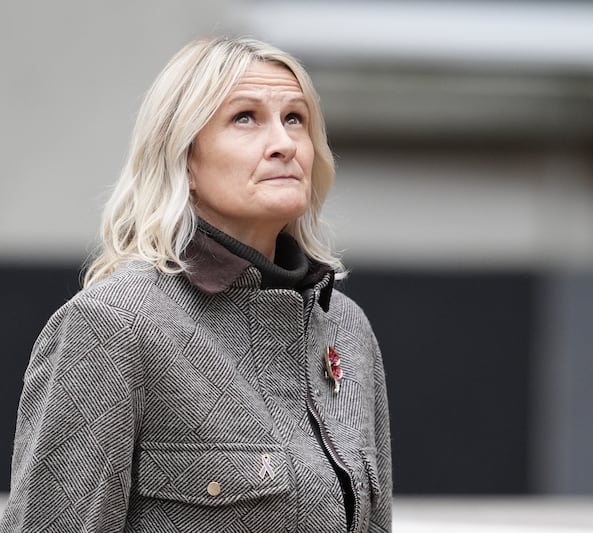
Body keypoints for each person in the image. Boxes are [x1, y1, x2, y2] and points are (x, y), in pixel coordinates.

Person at [0, 36, 392, 533]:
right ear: (184, 159)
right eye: (244, 118)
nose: (285, 143)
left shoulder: (345, 330)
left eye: (295, 119)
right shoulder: (115, 325)